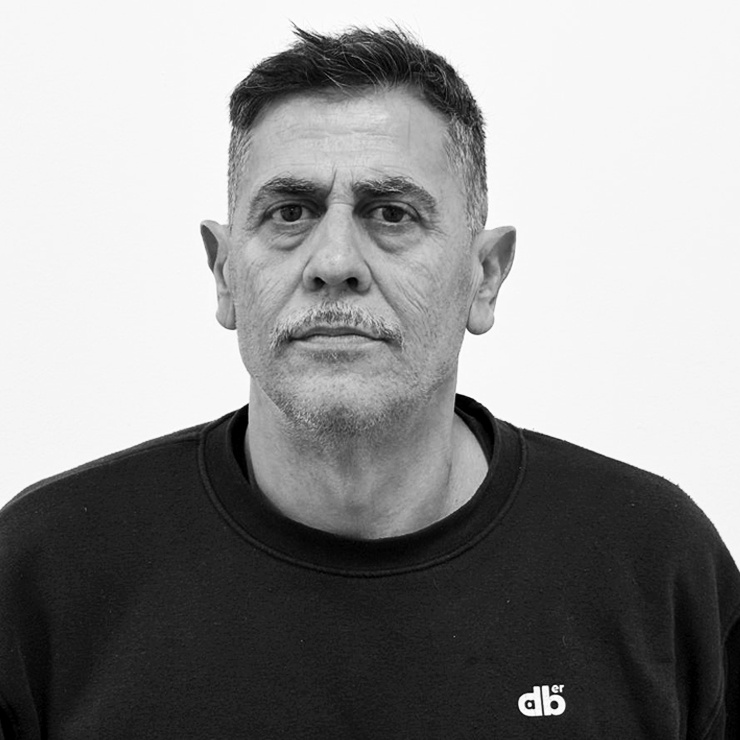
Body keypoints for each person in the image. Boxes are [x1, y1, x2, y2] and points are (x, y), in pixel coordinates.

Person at [1, 25, 738, 740]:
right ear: (225, 275)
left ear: (484, 277)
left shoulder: (655, 568)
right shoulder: (44, 576)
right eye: (290, 213)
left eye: (391, 214)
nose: (334, 263)